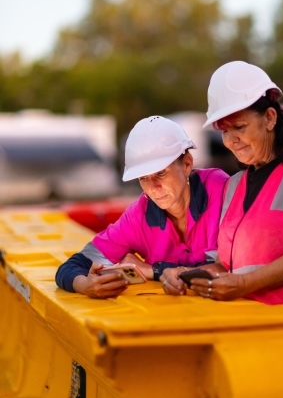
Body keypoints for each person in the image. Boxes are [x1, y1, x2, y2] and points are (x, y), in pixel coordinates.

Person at [161, 61, 283, 398]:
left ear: (270, 118)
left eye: (240, 127)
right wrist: (185, 274)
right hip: (262, 349)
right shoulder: (236, 185)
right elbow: (230, 264)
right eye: (224, 131)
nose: (232, 139)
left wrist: (243, 285)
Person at [55, 115, 229, 298]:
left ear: (186, 164)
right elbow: (71, 266)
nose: (153, 187)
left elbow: (231, 267)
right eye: (143, 178)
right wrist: (84, 284)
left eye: (161, 173)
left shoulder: (221, 191)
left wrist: (153, 270)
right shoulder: (139, 215)